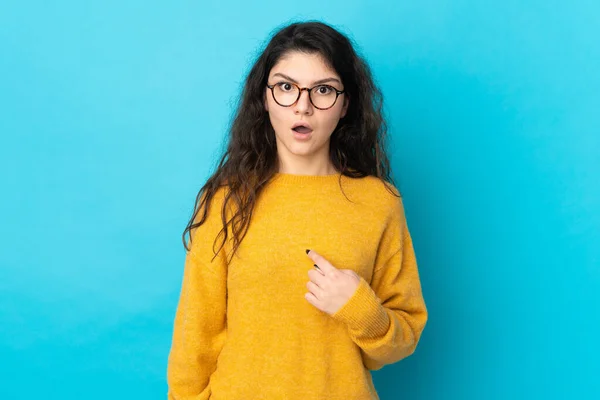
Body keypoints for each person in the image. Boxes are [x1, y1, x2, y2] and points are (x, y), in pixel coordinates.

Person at [166, 20, 428, 400]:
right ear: (266, 98)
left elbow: (403, 339)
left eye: (323, 90)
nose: (302, 107)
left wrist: (359, 307)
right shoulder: (226, 200)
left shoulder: (379, 202)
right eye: (286, 87)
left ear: (344, 105)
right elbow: (195, 340)